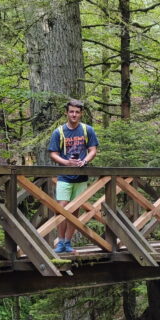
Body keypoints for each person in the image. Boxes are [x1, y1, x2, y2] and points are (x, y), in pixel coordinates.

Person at [48, 99, 99, 254]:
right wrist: (66, 162)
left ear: (81, 113)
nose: (74, 114)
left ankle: (68, 243)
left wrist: (84, 161)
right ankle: (60, 242)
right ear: (66, 112)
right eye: (71, 111)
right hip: (64, 176)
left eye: (77, 112)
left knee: (75, 211)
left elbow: (93, 150)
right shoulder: (59, 132)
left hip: (81, 177)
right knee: (61, 209)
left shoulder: (87, 130)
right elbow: (53, 154)